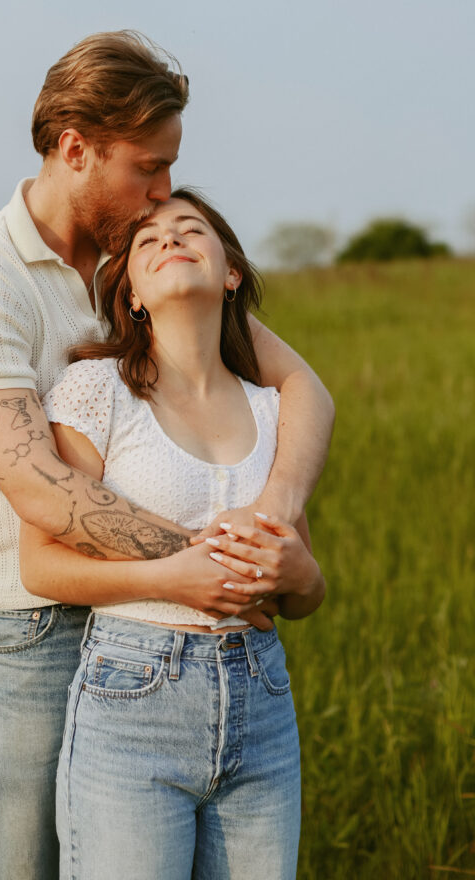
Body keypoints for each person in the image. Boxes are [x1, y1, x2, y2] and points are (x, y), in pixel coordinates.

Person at [0, 31, 334, 880]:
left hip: (175, 634)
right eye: (148, 166)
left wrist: (278, 515)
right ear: (76, 149)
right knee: (22, 864)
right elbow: (40, 488)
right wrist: (214, 569)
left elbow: (305, 390)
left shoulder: (142, 257)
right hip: (34, 628)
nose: (164, 190)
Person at [21, 188, 326, 880]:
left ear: (230, 274)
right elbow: (40, 563)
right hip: (133, 697)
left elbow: (304, 590)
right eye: (148, 241)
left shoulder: (273, 410)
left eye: (192, 230)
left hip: (262, 698)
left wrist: (302, 577)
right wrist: (169, 578)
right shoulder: (96, 391)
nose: (171, 240)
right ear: (130, 292)